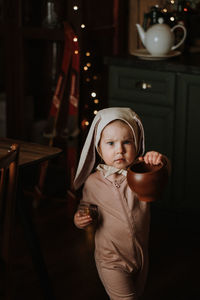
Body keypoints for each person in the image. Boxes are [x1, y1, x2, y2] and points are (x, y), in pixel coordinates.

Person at [73, 107, 165, 300]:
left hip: (141, 255)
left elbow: (164, 172)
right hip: (111, 259)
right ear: (99, 147)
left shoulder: (142, 173)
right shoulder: (93, 182)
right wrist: (80, 219)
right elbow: (85, 208)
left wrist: (158, 160)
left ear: (137, 143)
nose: (119, 150)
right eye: (111, 143)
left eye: (126, 142)